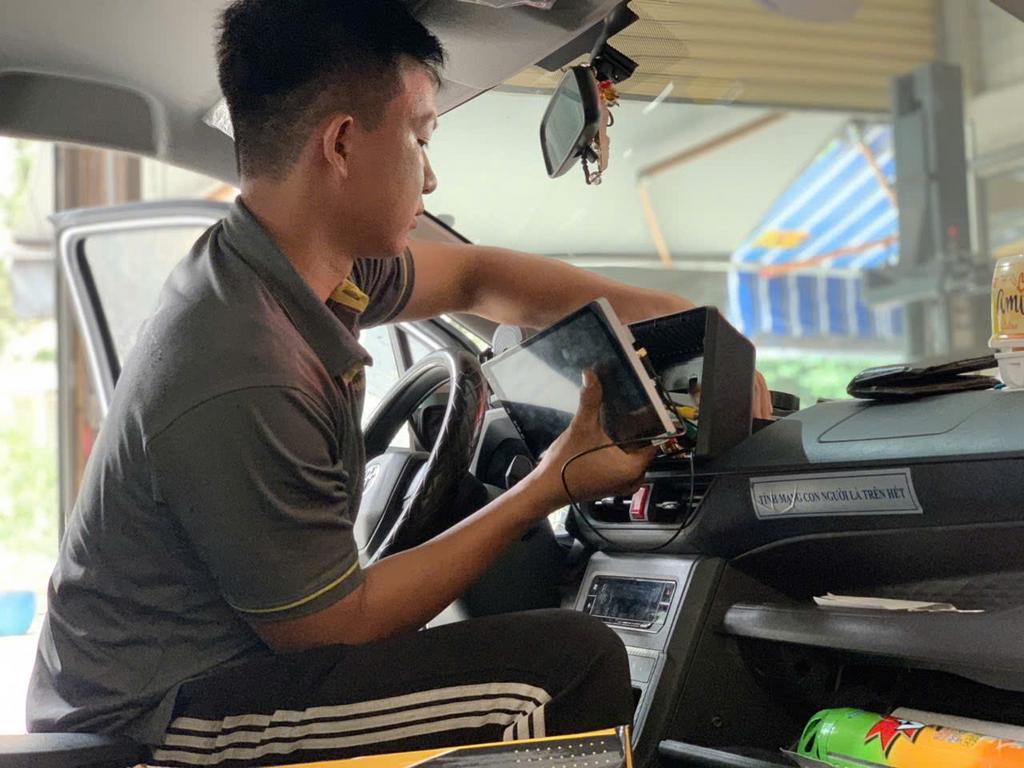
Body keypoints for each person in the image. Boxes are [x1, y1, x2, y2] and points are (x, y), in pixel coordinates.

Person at [27, 1, 770, 765]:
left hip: (192, 680)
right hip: (155, 722)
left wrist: (677, 314)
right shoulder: (246, 363)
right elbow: (336, 628)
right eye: (420, 138)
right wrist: (548, 486)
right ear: (343, 144)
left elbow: (478, 278)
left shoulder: (294, 269)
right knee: (566, 669)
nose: (432, 174)